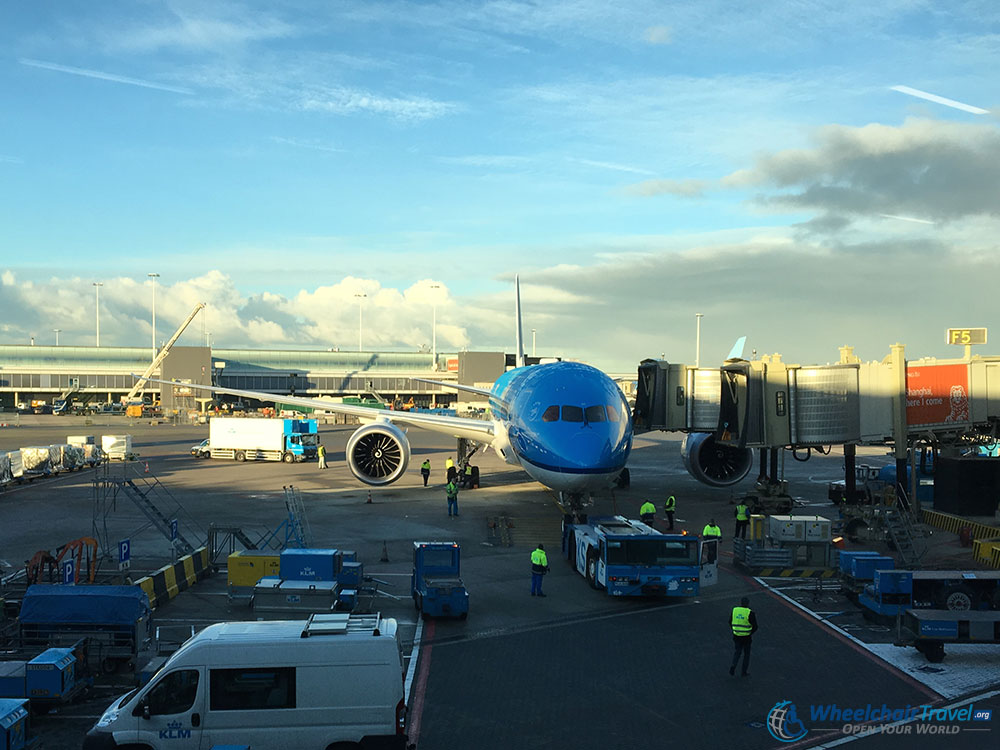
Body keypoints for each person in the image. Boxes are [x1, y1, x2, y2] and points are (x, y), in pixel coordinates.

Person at [729, 596, 758, 676]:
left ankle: (733, 665)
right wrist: (750, 632)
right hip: (746, 637)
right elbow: (755, 626)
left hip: (736, 636)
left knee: (737, 652)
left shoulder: (735, 610)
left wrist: (735, 630)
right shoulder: (750, 613)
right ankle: (743, 671)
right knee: (746, 654)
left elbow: (730, 621)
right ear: (748, 604)